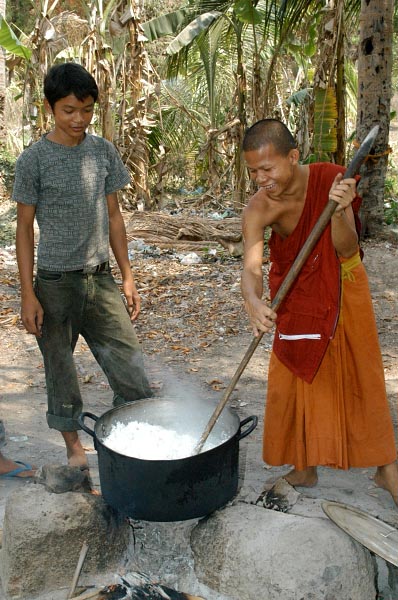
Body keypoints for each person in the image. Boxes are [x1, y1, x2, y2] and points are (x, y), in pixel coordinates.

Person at [241, 118, 398, 504]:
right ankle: (303, 465)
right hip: (294, 294)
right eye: (253, 171)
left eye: (267, 168)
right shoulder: (258, 208)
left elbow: (346, 249)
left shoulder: (331, 179)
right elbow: (251, 268)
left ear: (292, 157)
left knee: (361, 372)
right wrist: (253, 302)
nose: (261, 178)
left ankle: (387, 469)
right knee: (294, 375)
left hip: (342, 282)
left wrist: (342, 211)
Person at [13, 62, 152, 472]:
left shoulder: (102, 151)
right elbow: (23, 229)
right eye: (69, 110)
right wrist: (28, 293)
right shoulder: (33, 160)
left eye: (87, 110)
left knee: (130, 369)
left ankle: (129, 444)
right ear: (50, 108)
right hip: (54, 284)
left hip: (101, 279)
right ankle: (75, 451)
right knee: (61, 369)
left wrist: (127, 276)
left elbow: (114, 217)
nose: (79, 119)